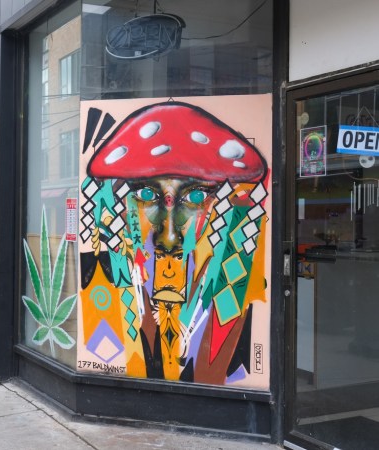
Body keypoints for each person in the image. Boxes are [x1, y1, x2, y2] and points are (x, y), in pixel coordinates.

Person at [81, 101, 269, 383]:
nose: (168, 236)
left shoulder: (233, 277)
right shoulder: (107, 276)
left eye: (195, 197)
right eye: (146, 194)